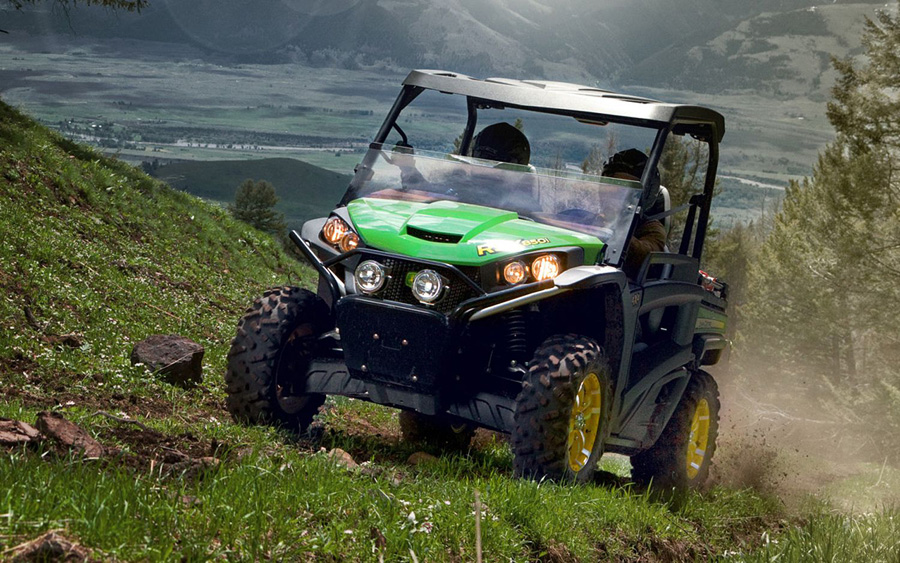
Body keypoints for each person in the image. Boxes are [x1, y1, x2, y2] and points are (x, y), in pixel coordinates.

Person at [601, 149, 667, 279]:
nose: (614, 192)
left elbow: (645, 253)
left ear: (644, 195)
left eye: (626, 189)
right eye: (612, 185)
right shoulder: (588, 217)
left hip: (621, 290)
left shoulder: (651, 228)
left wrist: (612, 228)